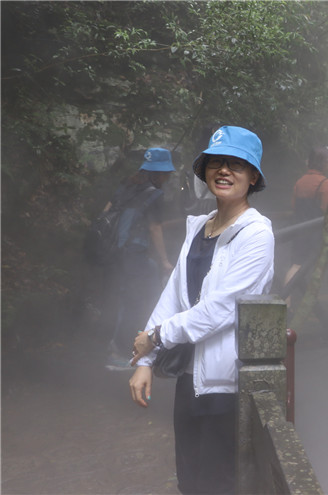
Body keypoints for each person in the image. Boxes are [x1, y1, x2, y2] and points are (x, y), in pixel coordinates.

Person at [128, 126, 274, 494]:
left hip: (227, 384)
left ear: (253, 176)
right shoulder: (198, 228)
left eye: (236, 164)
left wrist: (157, 336)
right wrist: (146, 360)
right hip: (189, 378)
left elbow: (221, 308)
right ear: (205, 171)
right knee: (189, 480)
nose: (223, 170)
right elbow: (172, 297)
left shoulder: (257, 234)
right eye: (216, 162)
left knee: (218, 483)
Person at [106, 148, 175, 368]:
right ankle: (120, 352)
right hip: (134, 254)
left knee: (124, 296)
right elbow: (155, 228)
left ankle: (132, 346)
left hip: (114, 251)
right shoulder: (154, 194)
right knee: (137, 300)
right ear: (159, 174)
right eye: (167, 174)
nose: (168, 178)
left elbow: (107, 212)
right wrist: (165, 261)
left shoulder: (126, 185)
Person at [283, 145, 328, 306]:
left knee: (296, 265)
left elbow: (294, 205)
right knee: (319, 264)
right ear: (325, 163)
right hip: (316, 232)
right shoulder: (325, 184)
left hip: (299, 229)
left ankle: (287, 302)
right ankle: (322, 305)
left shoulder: (300, 182)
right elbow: (327, 210)